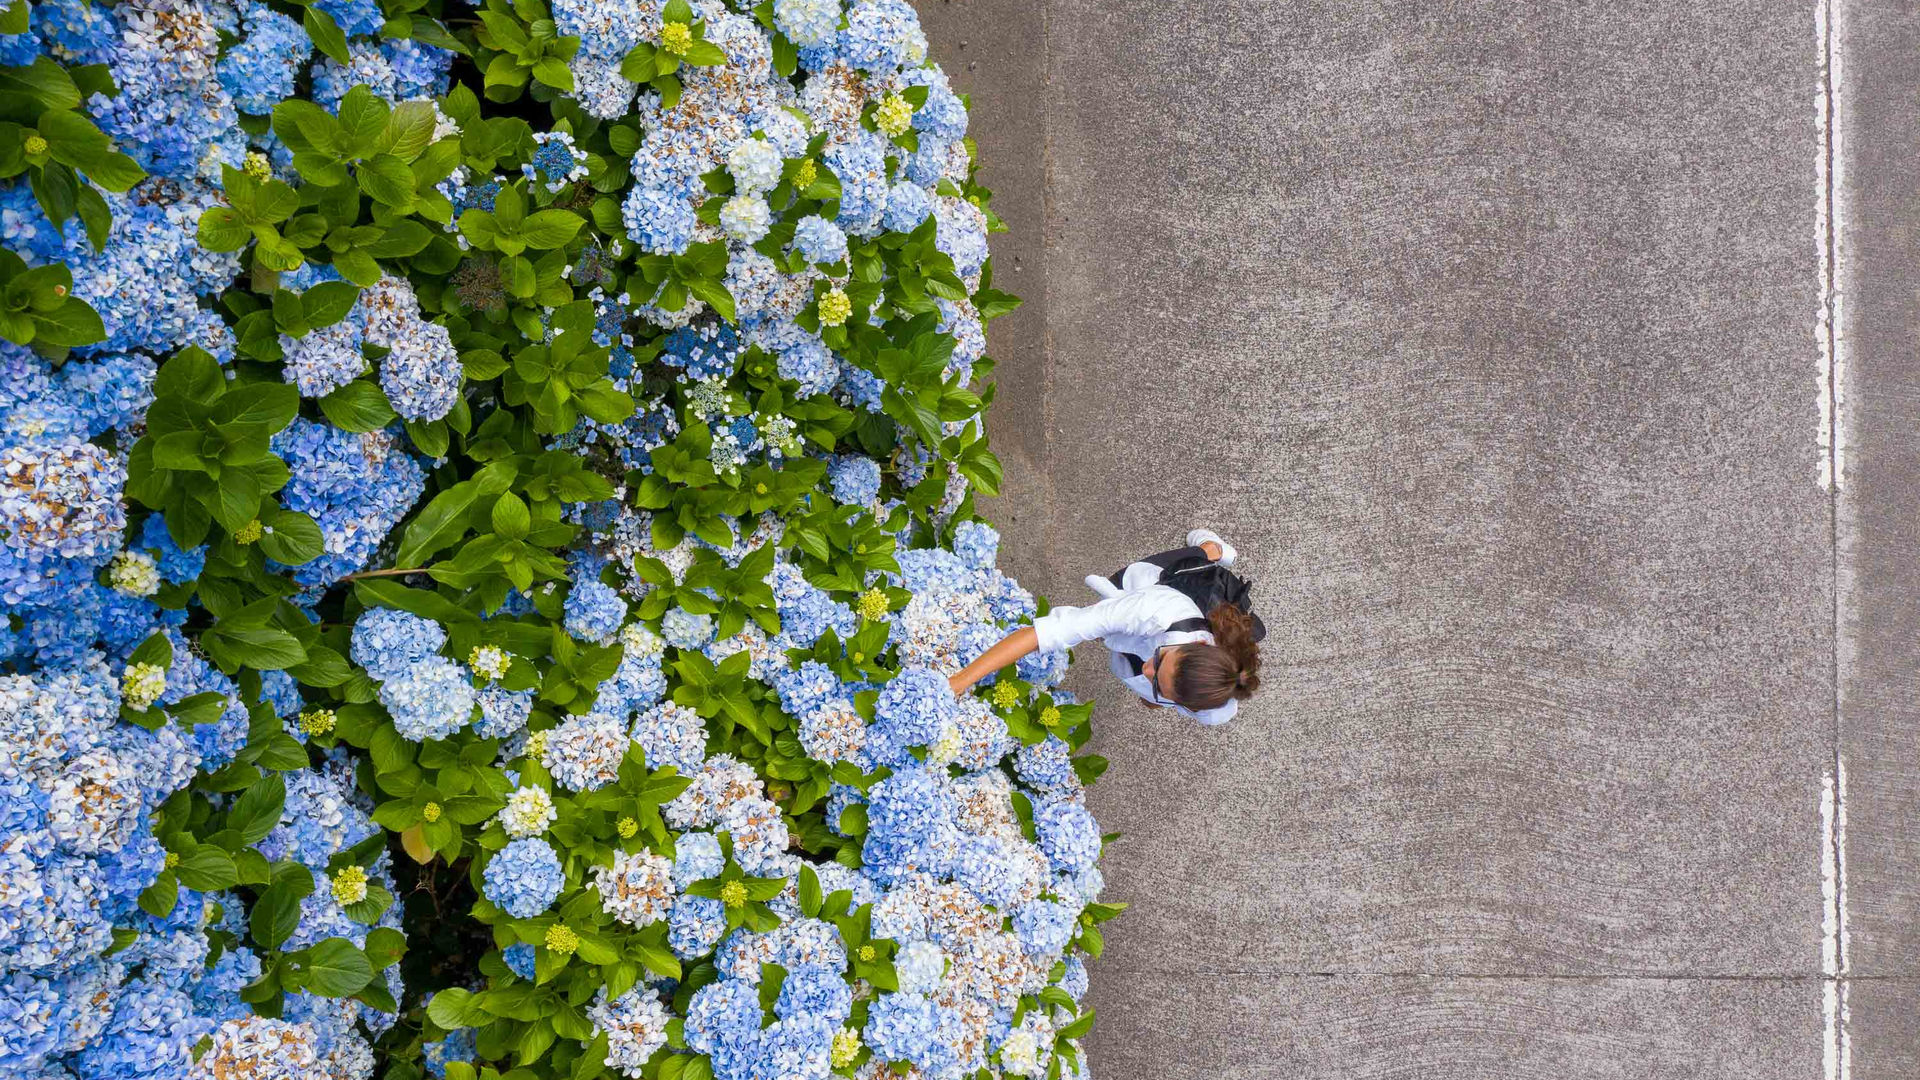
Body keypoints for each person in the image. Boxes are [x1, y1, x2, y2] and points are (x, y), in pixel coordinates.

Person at [947, 529, 1262, 725]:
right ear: (1200, 645)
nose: (1149, 671)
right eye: (1162, 660)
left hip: (1158, 642)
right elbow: (1054, 631)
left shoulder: (1214, 708)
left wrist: (1153, 694)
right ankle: (1214, 549)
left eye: (1161, 686)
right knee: (1192, 560)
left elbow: (1168, 682)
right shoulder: (1154, 610)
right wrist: (960, 681)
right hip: (1149, 587)